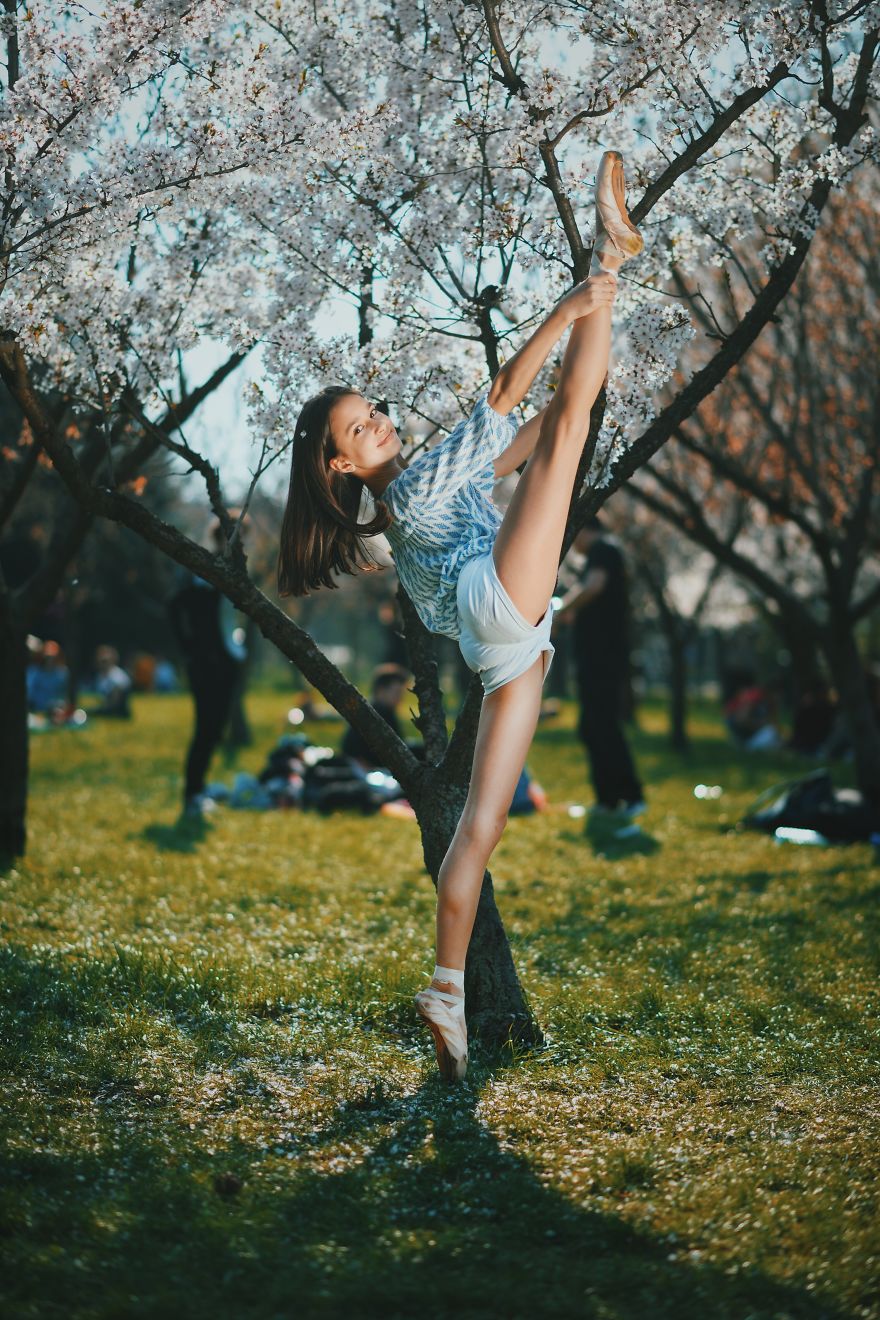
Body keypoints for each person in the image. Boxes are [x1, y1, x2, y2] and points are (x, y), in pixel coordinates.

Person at [278, 151, 643, 1082]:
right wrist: (567, 310)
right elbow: (506, 405)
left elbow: (527, 434)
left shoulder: (420, 499)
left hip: (506, 649)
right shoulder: (419, 491)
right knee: (565, 422)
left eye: (375, 415)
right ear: (341, 470)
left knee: (481, 829)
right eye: (360, 431)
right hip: (497, 601)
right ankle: (609, 260)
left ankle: (446, 991)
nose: (380, 426)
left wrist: (577, 389)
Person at [556, 517, 645, 818]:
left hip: (602, 657)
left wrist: (561, 611)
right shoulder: (605, 552)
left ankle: (629, 796)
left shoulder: (604, 549)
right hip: (597, 656)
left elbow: (594, 586)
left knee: (602, 726)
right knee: (593, 727)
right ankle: (608, 799)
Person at [168, 518, 248, 817]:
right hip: (206, 663)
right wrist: (189, 649)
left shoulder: (236, 570)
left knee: (215, 729)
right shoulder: (203, 572)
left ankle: (199, 788)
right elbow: (175, 607)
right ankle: (192, 793)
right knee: (206, 728)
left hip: (227, 660)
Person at [342, 664, 411, 769]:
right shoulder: (370, 714)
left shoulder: (387, 713)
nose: (400, 698)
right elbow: (350, 749)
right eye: (397, 692)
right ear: (381, 690)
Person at [91, 645, 132, 718]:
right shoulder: (99, 676)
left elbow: (115, 702)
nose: (102, 664)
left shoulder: (118, 676)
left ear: (113, 660)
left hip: (117, 714)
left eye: (105, 661)